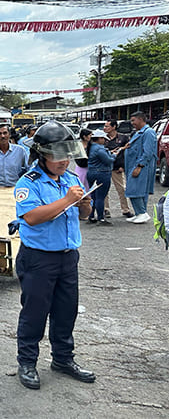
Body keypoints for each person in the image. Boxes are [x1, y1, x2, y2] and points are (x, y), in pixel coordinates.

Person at [13, 120, 95, 390]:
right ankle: (27, 362)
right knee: (35, 313)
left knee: (66, 311)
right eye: (57, 155)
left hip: (68, 257)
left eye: (67, 154)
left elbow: (82, 215)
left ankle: (63, 358)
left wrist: (84, 204)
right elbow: (32, 217)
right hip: (39, 259)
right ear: (42, 155)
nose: (64, 161)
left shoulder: (71, 179)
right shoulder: (29, 183)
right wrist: (67, 200)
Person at [124, 111, 157, 224]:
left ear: (141, 119)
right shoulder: (139, 132)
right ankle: (139, 213)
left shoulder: (149, 132)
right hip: (133, 165)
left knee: (135, 190)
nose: (132, 123)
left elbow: (148, 152)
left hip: (142, 166)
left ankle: (142, 213)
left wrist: (139, 166)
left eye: (133, 120)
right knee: (137, 190)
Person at [0, 123, 29, 187]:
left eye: (5, 133)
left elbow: (29, 167)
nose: (2, 136)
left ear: (9, 135)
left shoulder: (20, 150)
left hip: (15, 186)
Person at [86, 129, 117, 225]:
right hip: (102, 173)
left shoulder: (91, 147)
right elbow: (108, 160)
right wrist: (114, 155)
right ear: (99, 138)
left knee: (93, 196)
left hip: (91, 172)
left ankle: (91, 216)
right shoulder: (99, 149)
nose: (105, 141)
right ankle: (101, 218)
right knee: (100, 197)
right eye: (103, 139)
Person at [103, 120, 133, 218]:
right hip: (105, 167)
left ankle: (125, 209)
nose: (105, 128)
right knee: (104, 190)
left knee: (122, 189)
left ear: (114, 127)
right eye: (104, 126)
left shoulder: (123, 138)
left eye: (107, 126)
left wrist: (123, 166)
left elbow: (127, 153)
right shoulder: (102, 138)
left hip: (117, 168)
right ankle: (105, 209)